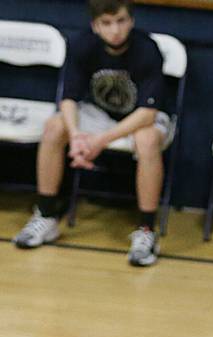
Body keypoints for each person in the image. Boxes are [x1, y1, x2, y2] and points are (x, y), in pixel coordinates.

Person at [13, 0, 170, 267]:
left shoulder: (147, 49)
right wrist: (75, 136)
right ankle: (47, 215)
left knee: (147, 140)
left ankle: (146, 231)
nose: (115, 30)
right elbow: (69, 99)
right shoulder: (81, 44)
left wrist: (98, 142)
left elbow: (148, 113)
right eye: (107, 23)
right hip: (97, 114)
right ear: (95, 25)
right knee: (54, 126)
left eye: (121, 21)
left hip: (139, 118)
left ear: (131, 21)